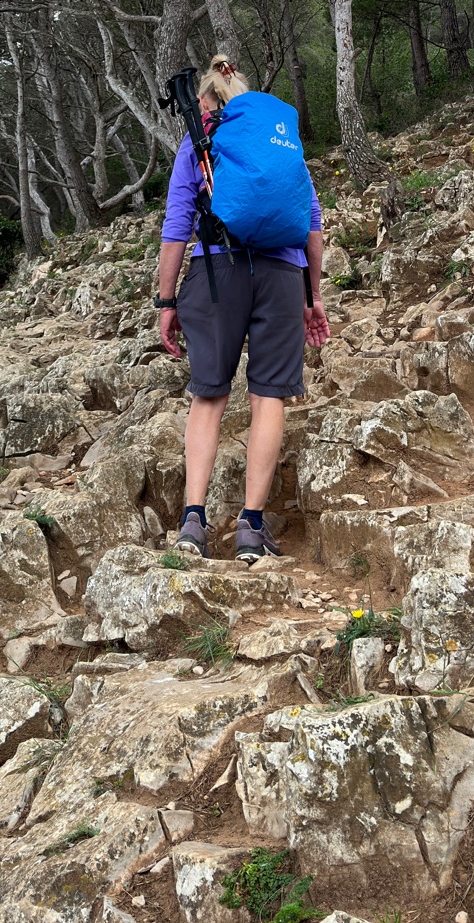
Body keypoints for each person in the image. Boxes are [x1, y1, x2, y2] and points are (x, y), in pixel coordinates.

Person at [157, 54, 329, 563]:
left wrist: (167, 301)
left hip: (217, 274)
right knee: (268, 397)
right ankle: (251, 528)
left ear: (207, 102)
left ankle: (193, 522)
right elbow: (311, 222)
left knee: (209, 396)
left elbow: (177, 226)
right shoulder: (280, 143)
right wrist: (312, 298)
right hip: (283, 276)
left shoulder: (200, 144)